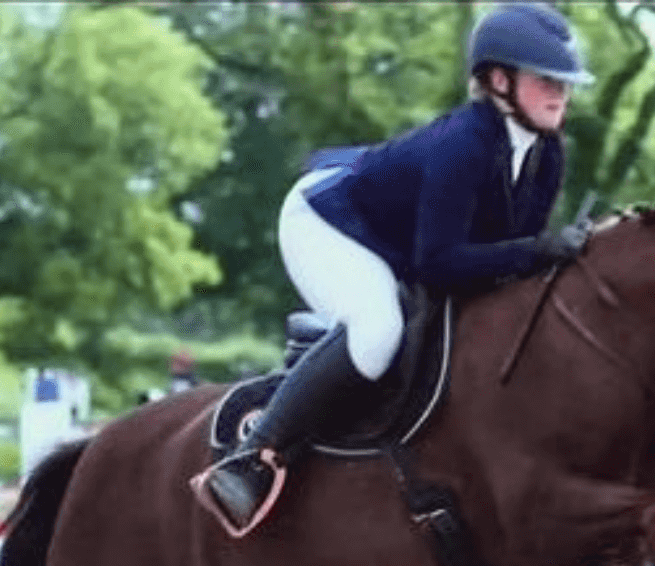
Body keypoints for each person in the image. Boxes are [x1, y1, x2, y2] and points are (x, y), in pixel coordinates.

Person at [191, 1, 593, 537]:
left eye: (564, 82)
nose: (559, 93)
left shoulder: (548, 154)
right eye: (546, 79)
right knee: (380, 331)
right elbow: (438, 265)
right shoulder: (463, 146)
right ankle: (252, 454)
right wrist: (536, 251)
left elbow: (504, 264)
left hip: (395, 239)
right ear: (499, 80)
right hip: (326, 222)